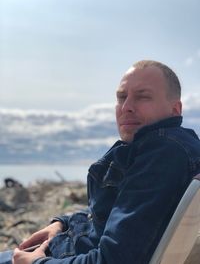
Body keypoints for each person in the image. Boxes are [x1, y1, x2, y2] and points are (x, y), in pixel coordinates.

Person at [1, 60, 200, 264]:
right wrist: (62, 223)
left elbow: (112, 260)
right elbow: (121, 210)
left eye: (143, 96)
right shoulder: (165, 152)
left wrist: (34, 263)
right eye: (121, 97)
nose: (126, 107)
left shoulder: (163, 155)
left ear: (175, 109)